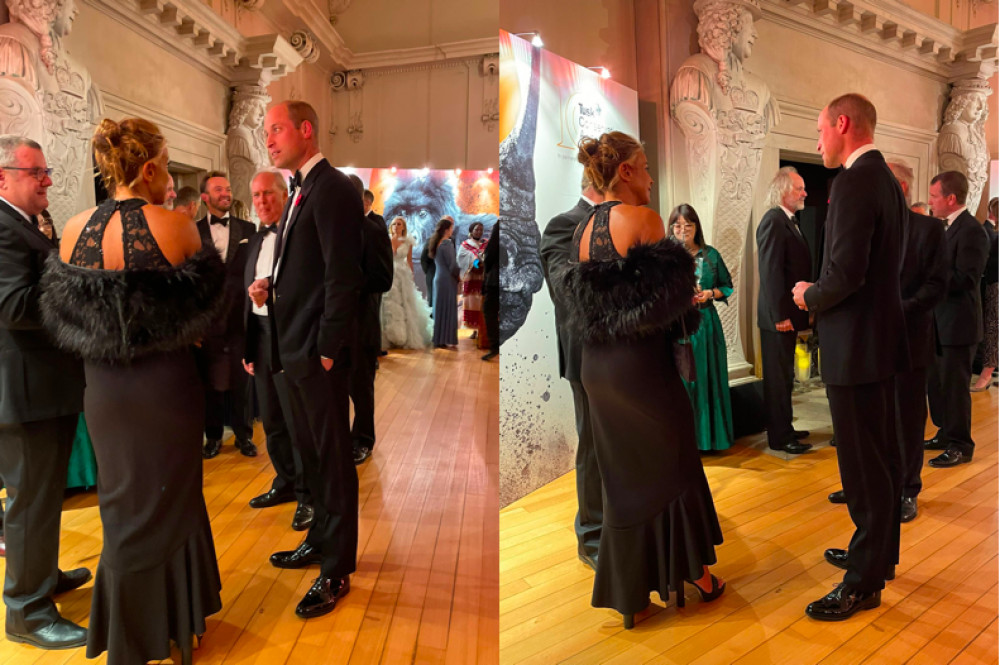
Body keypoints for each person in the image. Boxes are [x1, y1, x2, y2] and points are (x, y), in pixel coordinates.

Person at [41, 118, 224, 663]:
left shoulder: (73, 230)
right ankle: (177, 621)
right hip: (167, 388)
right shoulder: (176, 227)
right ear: (148, 169)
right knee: (174, 498)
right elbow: (206, 317)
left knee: (119, 506)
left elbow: (60, 317)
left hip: (104, 392)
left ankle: (131, 631)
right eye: (166, 166)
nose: (167, 177)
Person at [560, 131, 724, 629]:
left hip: (597, 368)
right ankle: (696, 574)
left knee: (624, 480)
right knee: (675, 463)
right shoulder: (646, 220)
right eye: (646, 166)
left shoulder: (583, 230)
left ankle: (631, 595)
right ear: (625, 172)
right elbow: (671, 305)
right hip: (641, 368)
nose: (653, 177)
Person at [792, 93, 909, 621]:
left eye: (820, 130)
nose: (817, 142)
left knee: (863, 467)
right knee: (879, 461)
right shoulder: (885, 179)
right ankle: (876, 556)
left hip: (856, 346)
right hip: (877, 343)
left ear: (844, 124)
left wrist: (808, 294)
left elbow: (846, 275)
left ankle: (862, 582)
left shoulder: (856, 180)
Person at [248, 100, 363, 619]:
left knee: (334, 461)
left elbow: (343, 277)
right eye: (266, 131)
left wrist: (325, 351)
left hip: (314, 354)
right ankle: (319, 539)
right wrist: (273, 287)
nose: (268, 139)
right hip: (291, 349)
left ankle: (336, 568)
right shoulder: (302, 189)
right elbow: (311, 272)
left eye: (276, 129)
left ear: (305, 129)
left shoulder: (334, 187)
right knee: (312, 456)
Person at [0, 135, 89, 650]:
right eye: (35, 173)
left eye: (46, 171)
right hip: (23, 390)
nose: (47, 180)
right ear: (4, 177)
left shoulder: (26, 224)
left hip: (42, 387)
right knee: (30, 501)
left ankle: (42, 578)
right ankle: (27, 611)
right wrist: (78, 295)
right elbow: (12, 306)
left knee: (42, 495)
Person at [243, 168, 313, 531]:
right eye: (255, 195)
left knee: (296, 420)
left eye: (267, 193)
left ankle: (308, 496)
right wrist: (247, 348)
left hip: (287, 334)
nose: (261, 201)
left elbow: (304, 283)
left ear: (284, 195)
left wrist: (269, 288)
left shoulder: (296, 233)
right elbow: (244, 297)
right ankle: (284, 481)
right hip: (259, 333)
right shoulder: (255, 240)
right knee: (270, 420)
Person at [540, 179, 604, 569]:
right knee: (593, 447)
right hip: (585, 355)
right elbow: (568, 295)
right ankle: (592, 537)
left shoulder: (621, 222)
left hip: (623, 358)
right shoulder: (564, 225)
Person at [923, 171, 990, 467]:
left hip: (958, 326)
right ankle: (944, 433)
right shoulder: (946, 226)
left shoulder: (972, 231)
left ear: (951, 199)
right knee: (937, 385)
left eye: (934, 196)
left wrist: (928, 274)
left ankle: (961, 445)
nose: (929, 202)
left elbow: (966, 278)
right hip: (939, 323)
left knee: (954, 389)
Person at [196, 171, 257, 459]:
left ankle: (244, 436)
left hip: (240, 318)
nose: (226, 193)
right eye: (219, 189)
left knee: (242, 381)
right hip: (208, 322)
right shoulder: (192, 231)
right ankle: (213, 437)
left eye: (228, 188)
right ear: (205, 197)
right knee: (211, 383)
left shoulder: (249, 229)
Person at [667, 204, 734, 452]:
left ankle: (710, 440)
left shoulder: (710, 255)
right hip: (678, 326)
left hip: (706, 325)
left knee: (708, 378)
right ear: (671, 228)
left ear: (697, 227)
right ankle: (685, 443)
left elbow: (726, 286)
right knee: (683, 383)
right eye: (677, 225)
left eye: (688, 225)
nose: (683, 230)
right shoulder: (666, 259)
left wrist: (709, 293)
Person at [756, 167, 813, 454]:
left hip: (787, 316)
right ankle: (779, 437)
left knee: (785, 376)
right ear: (782, 190)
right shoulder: (773, 220)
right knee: (778, 379)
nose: (804, 193)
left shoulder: (788, 220)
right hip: (778, 318)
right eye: (799, 188)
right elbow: (770, 273)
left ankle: (786, 427)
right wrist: (780, 315)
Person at [347, 175, 393, 466]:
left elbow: (383, 279)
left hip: (360, 323)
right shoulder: (328, 228)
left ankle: (363, 439)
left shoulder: (373, 231)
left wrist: (347, 283)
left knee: (361, 387)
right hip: (331, 325)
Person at [382, 217, 433, 349]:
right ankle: (390, 336)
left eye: (399, 224)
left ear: (403, 227)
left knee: (406, 303)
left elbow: (409, 260)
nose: (396, 226)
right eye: (394, 224)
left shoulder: (407, 241)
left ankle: (405, 336)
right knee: (389, 304)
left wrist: (411, 275)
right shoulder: (386, 239)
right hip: (389, 272)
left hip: (402, 275)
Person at [971, 196, 998, 392]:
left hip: (993, 286)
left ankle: (986, 374)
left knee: (991, 327)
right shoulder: (992, 233)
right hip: (992, 284)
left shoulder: (990, 233)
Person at [430, 217, 460, 349]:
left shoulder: (436, 242)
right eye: (451, 228)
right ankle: (446, 338)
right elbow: (453, 265)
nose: (452, 230)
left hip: (438, 278)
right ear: (447, 230)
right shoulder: (447, 243)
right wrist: (459, 277)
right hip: (447, 279)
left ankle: (439, 339)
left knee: (439, 309)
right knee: (448, 309)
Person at [458, 221, 486, 343]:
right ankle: (474, 330)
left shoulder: (486, 244)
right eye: (476, 229)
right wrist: (475, 261)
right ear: (471, 231)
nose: (479, 232)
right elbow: (461, 259)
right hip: (471, 279)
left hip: (482, 278)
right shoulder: (465, 245)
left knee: (481, 303)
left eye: (480, 230)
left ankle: (481, 329)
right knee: (472, 303)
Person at [481, 221, 500, 361]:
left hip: (496, 279)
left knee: (490, 311)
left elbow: (490, 253)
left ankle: (495, 346)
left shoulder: (501, 224)